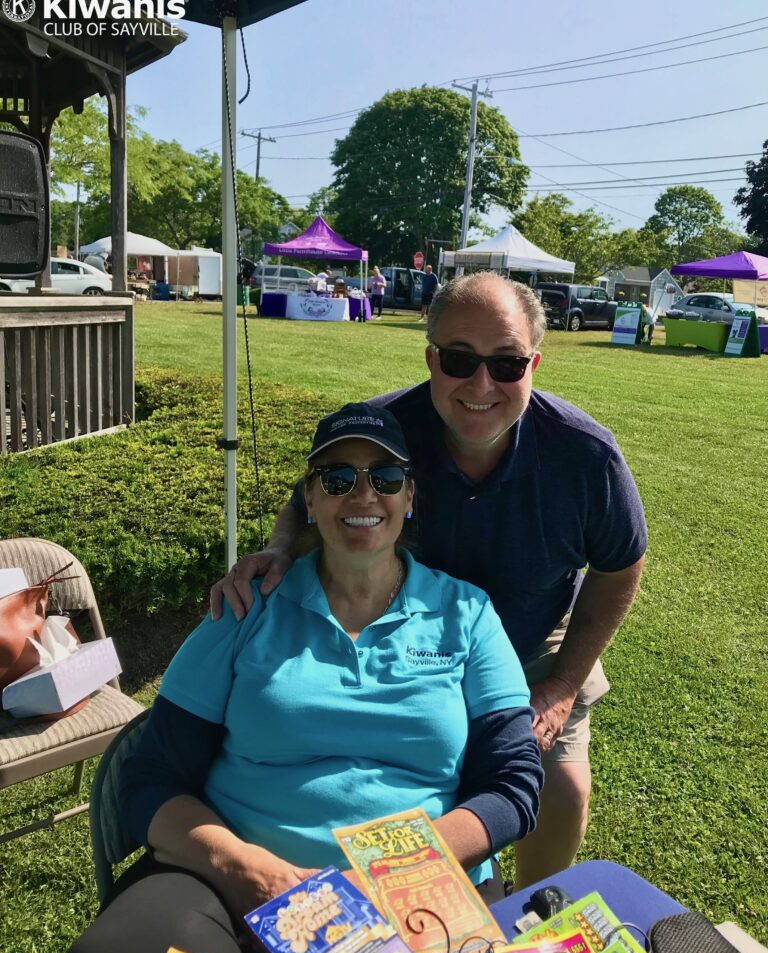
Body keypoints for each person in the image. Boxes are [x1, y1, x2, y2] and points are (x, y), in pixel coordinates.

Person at [54, 402, 542, 953]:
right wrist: (249, 872)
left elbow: (513, 784)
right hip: (233, 881)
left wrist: (389, 875)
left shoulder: (467, 614)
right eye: (338, 479)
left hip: (417, 886)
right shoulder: (246, 606)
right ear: (308, 501)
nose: (362, 494)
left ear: (409, 496)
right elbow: (150, 779)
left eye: (384, 478)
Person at [212, 273, 648, 891]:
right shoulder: (384, 428)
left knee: (563, 784)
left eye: (506, 363)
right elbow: (309, 495)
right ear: (429, 358)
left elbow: (620, 564)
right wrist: (278, 550)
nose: (480, 384)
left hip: (531, 642)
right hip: (405, 635)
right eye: (458, 359)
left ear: (535, 364)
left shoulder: (585, 456)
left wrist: (561, 684)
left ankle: (524, 912)